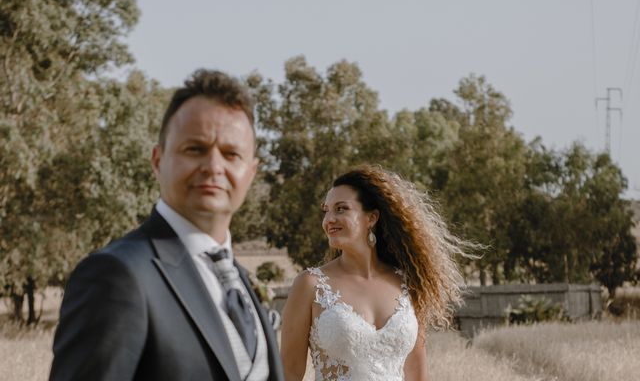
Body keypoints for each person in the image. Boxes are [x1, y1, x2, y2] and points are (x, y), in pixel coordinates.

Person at [50, 70, 285, 381]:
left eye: (231, 154)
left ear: (251, 173)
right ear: (158, 160)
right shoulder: (115, 275)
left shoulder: (239, 280)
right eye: (195, 149)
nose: (214, 167)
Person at [280, 165, 468, 381]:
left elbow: (417, 374)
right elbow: (289, 372)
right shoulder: (310, 285)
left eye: (341, 209)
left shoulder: (408, 283)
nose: (329, 219)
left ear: (372, 218)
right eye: (326, 210)